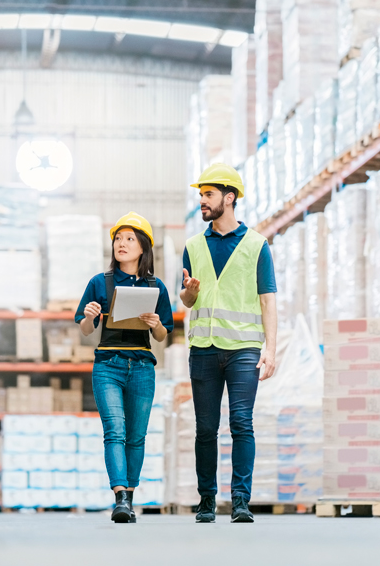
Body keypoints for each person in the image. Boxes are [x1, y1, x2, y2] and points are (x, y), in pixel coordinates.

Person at [180, 163, 277, 524]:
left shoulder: (256, 245)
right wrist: (188, 295)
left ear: (229, 197)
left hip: (244, 350)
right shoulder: (192, 246)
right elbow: (187, 302)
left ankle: (240, 500)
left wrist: (271, 348)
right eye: (201, 195)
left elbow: (268, 300)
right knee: (205, 428)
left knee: (241, 422)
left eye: (208, 194)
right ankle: (207, 499)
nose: (202, 201)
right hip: (203, 349)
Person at [76, 212, 174, 523]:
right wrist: (90, 315)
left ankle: (129, 498)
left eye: (130, 238)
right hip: (108, 365)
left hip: (143, 367)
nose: (122, 243)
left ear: (143, 247)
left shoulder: (155, 286)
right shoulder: (99, 282)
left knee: (136, 436)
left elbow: (162, 335)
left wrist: (156, 323)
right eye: (119, 238)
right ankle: (119, 497)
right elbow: (85, 329)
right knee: (114, 431)